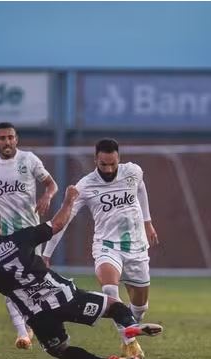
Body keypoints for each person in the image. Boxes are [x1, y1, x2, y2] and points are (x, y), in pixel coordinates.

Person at [0, 186, 163, 359]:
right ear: (0, 223)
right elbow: (57, 225)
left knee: (60, 350)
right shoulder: (20, 237)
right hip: (64, 296)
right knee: (115, 307)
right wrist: (69, 200)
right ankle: (129, 327)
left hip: (38, 315)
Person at [42, 138, 159, 359]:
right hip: (107, 245)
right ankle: (131, 341)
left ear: (119, 159)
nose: (108, 169)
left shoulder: (134, 172)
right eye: (103, 164)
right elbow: (63, 221)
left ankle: (129, 335)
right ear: (96, 159)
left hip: (136, 246)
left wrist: (147, 221)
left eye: (112, 164)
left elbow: (141, 188)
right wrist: (47, 254)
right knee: (109, 290)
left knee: (140, 308)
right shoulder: (85, 186)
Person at [0, 122, 58, 349]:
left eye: (10, 137)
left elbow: (51, 185)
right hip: (4, 234)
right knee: (10, 283)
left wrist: (47, 197)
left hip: (29, 233)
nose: (7, 142)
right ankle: (23, 333)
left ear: (16, 139)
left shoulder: (29, 160)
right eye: (2, 138)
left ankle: (37, 325)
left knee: (35, 283)